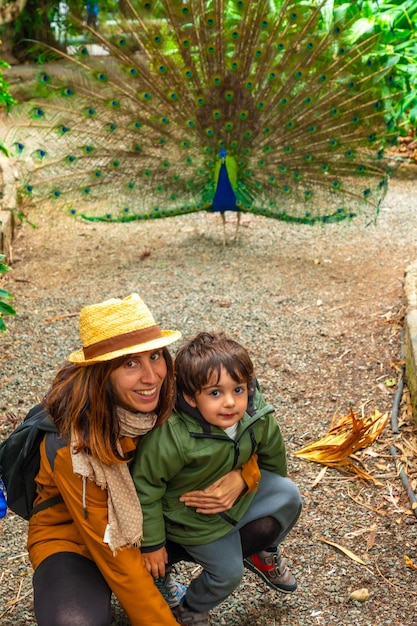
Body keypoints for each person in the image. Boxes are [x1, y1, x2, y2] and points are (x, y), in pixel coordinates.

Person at [27, 294, 255, 626]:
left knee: (270, 510)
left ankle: (157, 576)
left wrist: (244, 475)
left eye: (154, 356)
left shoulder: (178, 394)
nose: (151, 377)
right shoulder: (70, 444)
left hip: (155, 518)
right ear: (101, 374)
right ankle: (92, 587)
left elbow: (249, 428)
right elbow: (115, 551)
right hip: (77, 541)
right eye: (130, 363)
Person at [132, 331, 302, 626]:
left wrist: (248, 480)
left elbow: (273, 457)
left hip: (238, 499)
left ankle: (264, 551)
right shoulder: (173, 436)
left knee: (289, 495)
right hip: (196, 518)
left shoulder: (256, 415)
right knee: (227, 574)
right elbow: (146, 486)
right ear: (190, 397)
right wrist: (152, 543)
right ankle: (193, 607)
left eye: (238, 389)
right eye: (215, 393)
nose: (229, 403)